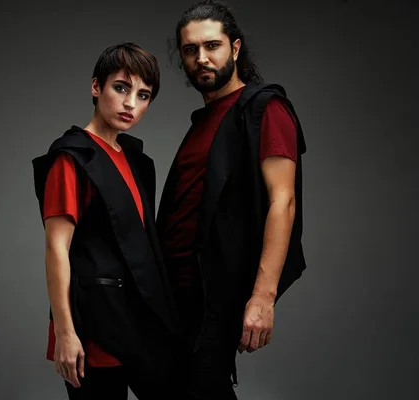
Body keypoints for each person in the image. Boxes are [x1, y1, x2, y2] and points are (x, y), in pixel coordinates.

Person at [156, 1, 308, 399]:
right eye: (190, 50)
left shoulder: (264, 109)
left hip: (215, 297)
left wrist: (262, 297)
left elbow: (283, 201)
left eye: (212, 46)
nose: (201, 58)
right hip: (176, 296)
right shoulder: (204, 121)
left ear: (235, 48)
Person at [32, 43, 178, 400]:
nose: (131, 104)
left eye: (143, 95)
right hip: (95, 323)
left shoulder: (136, 160)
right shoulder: (73, 157)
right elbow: (56, 248)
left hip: (143, 317)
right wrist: (66, 331)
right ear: (96, 87)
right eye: (122, 87)